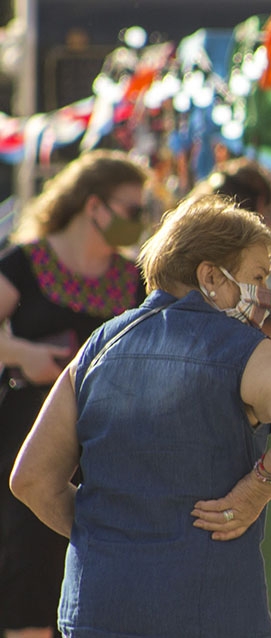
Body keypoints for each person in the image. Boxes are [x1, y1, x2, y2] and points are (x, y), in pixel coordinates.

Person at [9, 194, 271, 637]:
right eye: (258, 276)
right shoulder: (235, 344)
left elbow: (31, 479)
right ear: (210, 276)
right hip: (206, 611)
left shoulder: (99, 344)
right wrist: (258, 487)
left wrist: (105, 536)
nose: (265, 295)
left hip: (97, 606)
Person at [0, 149, 149, 638]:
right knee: (27, 578)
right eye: (132, 209)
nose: (139, 221)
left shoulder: (136, 281)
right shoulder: (25, 264)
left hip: (107, 451)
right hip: (26, 444)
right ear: (94, 206)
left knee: (96, 581)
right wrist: (23, 353)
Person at [189, 157, 271, 339]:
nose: (268, 223)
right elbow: (228, 335)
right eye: (258, 278)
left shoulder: (202, 235)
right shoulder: (222, 253)